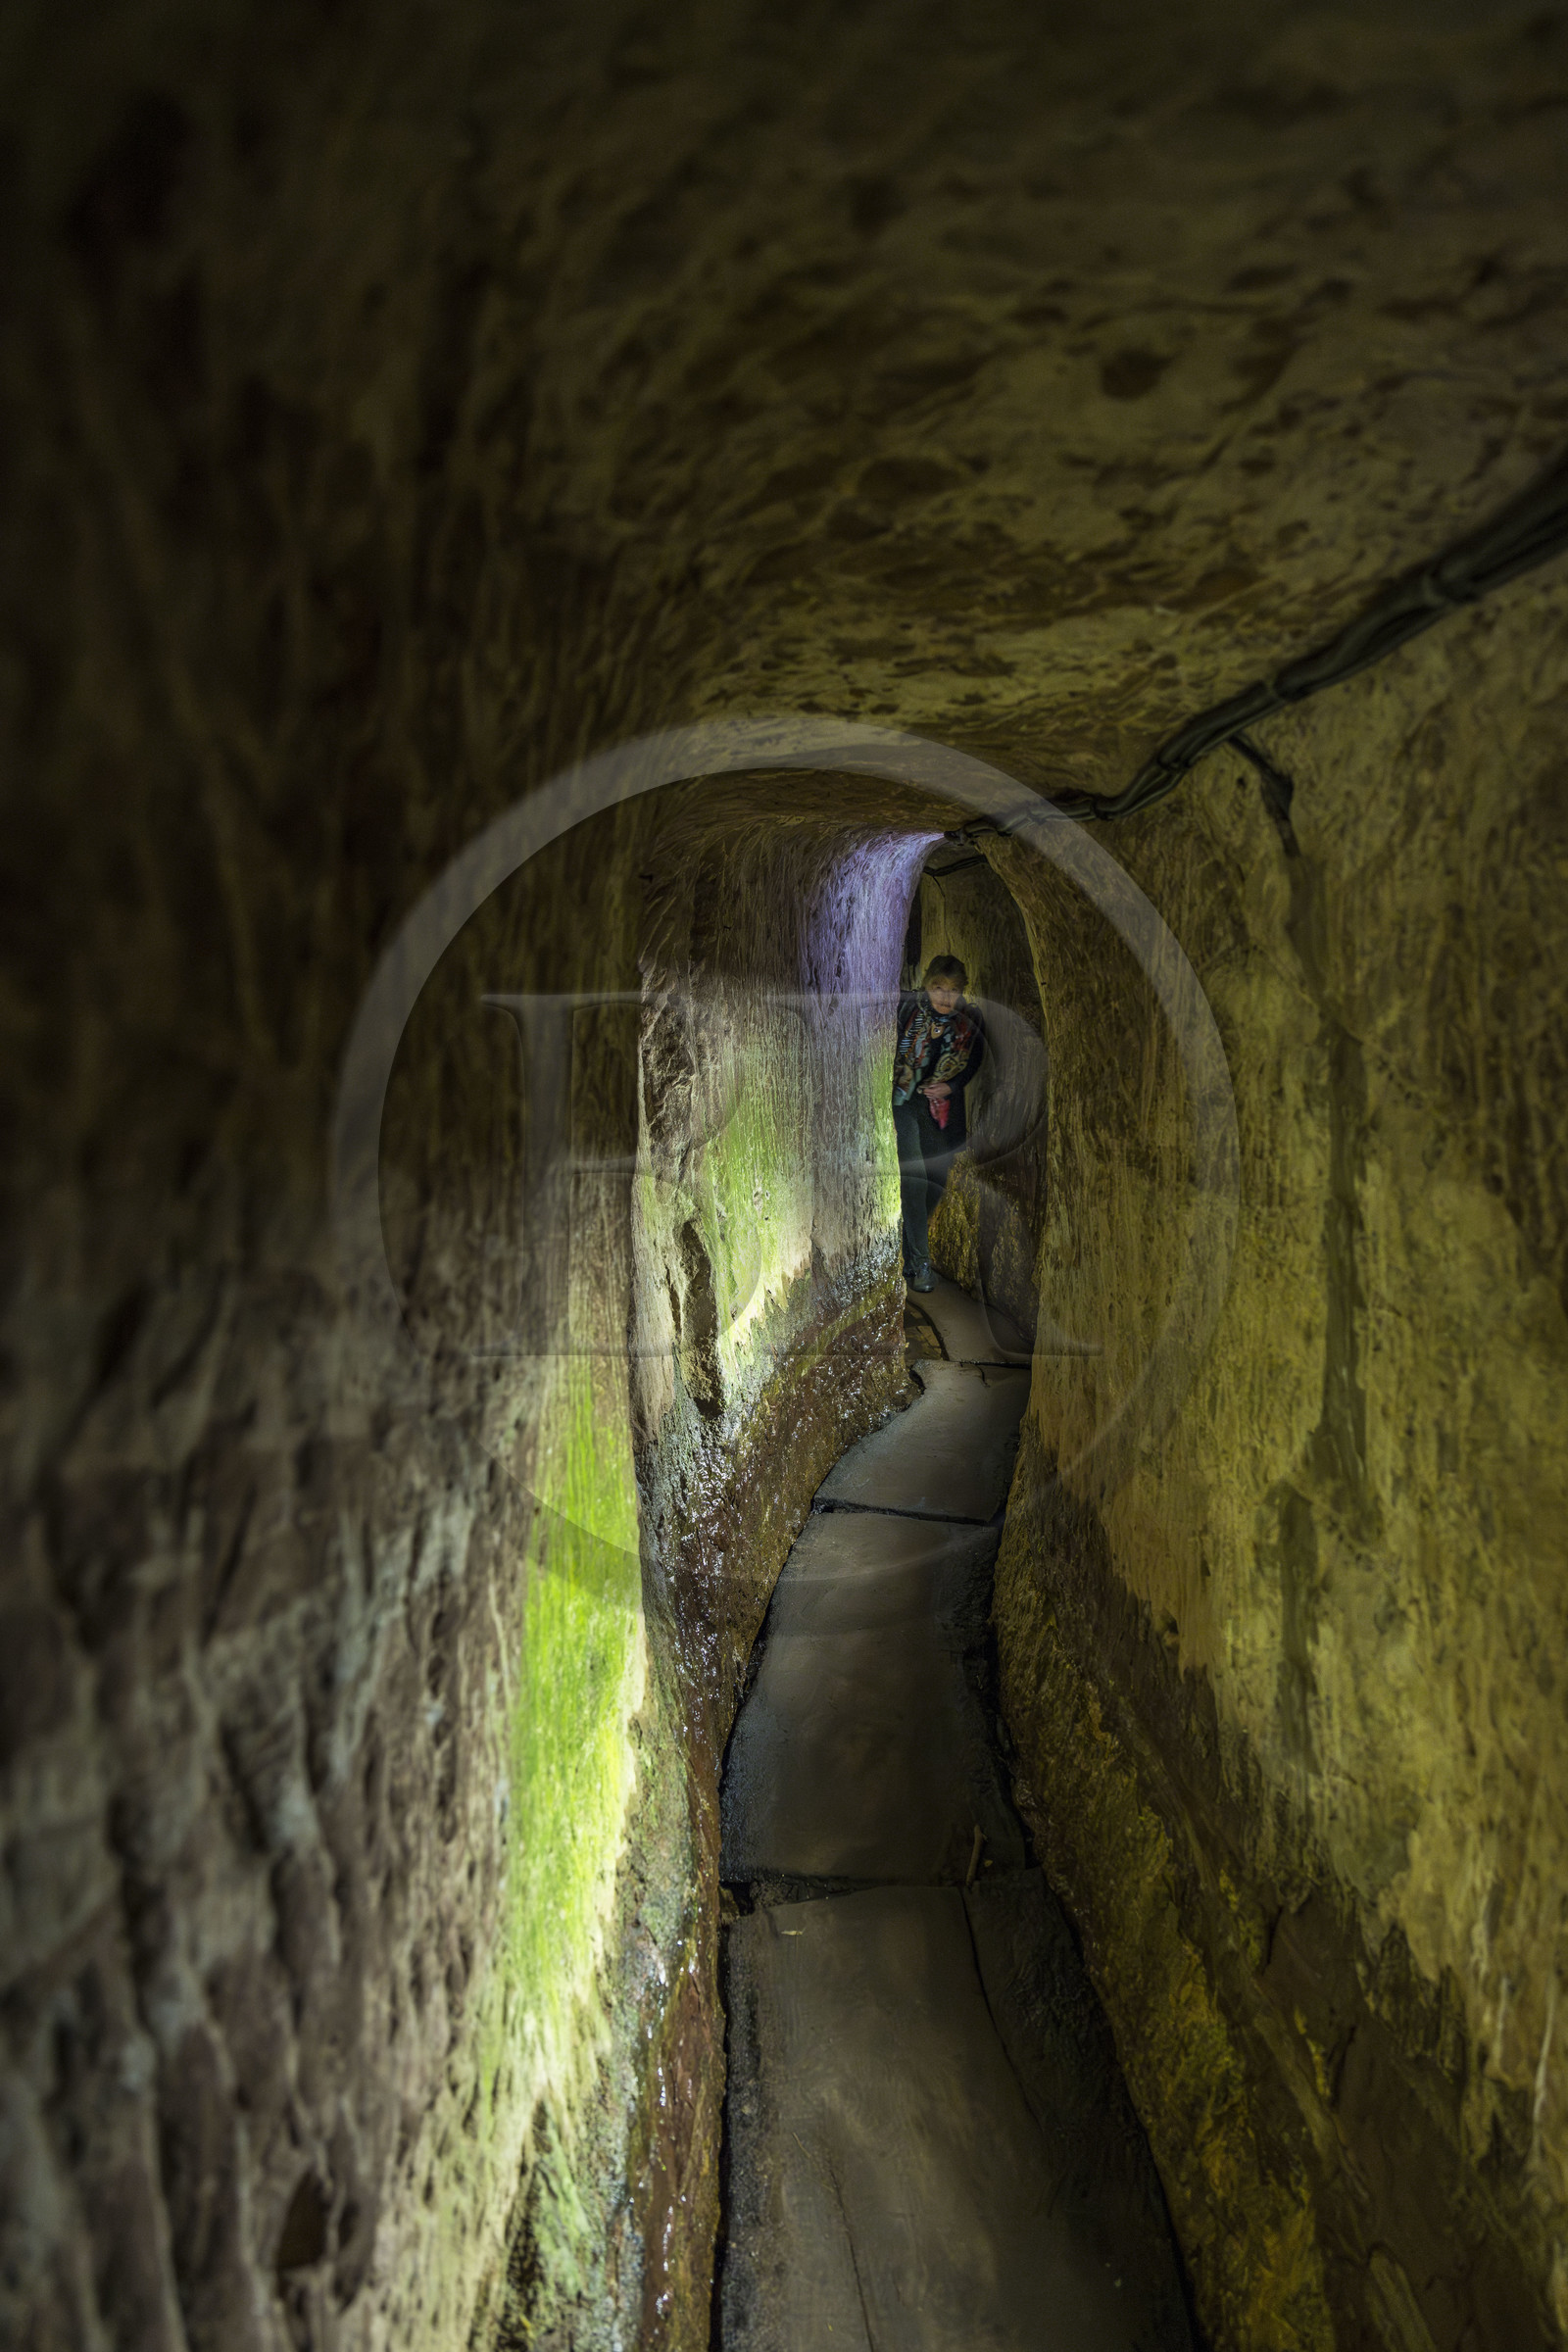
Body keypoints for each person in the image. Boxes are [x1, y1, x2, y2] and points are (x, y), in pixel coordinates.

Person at [891, 955, 984, 1293]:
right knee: (914, 1179)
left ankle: (906, 1246)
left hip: (942, 1108)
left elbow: (973, 1063)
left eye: (953, 990)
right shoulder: (906, 1010)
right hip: (905, 1102)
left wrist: (951, 1086)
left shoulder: (970, 1021)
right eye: (938, 988)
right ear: (927, 985)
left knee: (936, 1182)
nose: (945, 997)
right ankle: (920, 1265)